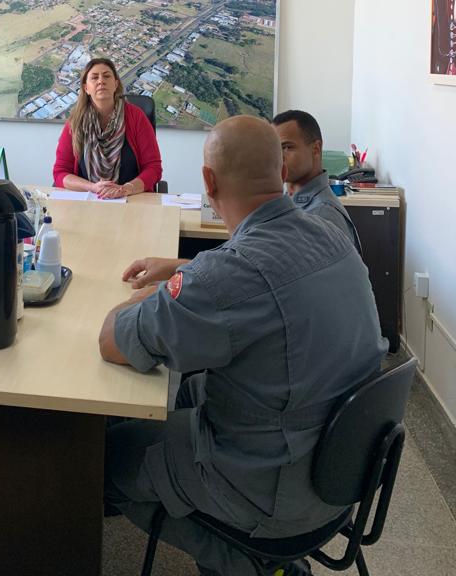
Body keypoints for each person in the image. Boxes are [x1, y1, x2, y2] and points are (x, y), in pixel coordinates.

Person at [99, 116, 386, 576]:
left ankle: (251, 564)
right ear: (280, 169)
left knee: (102, 459)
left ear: (208, 181)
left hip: (272, 494)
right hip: (342, 478)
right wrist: (179, 283)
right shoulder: (333, 234)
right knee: (175, 399)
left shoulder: (227, 277)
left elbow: (114, 340)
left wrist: (141, 299)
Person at [53, 57, 162, 198]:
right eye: (94, 77)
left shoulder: (136, 117)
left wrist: (126, 189)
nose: (101, 81)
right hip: (88, 200)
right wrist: (92, 187)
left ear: (116, 84)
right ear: (86, 88)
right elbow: (60, 172)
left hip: (131, 199)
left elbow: (153, 168)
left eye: (106, 76)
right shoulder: (75, 122)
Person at [272, 108, 362, 253]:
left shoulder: (320, 216)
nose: (279, 156)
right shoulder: (289, 201)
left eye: (287, 147)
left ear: (316, 149)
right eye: (275, 148)